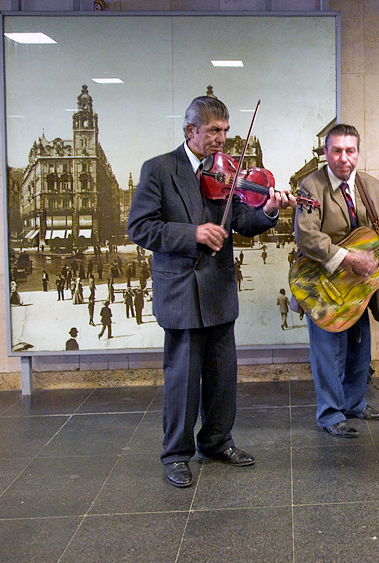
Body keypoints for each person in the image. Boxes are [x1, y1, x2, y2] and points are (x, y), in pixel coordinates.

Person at [127, 95, 296, 488]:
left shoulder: (228, 172)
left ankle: (217, 442)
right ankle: (176, 454)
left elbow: (243, 220)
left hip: (219, 289)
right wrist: (193, 233)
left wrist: (269, 209)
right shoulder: (159, 170)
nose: (222, 139)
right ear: (191, 131)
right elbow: (140, 227)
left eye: (225, 130)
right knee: (182, 380)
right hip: (181, 291)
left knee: (223, 377)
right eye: (214, 131)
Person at [294, 123, 379, 438]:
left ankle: (354, 403)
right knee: (328, 352)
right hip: (323, 282)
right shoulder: (310, 187)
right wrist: (351, 259)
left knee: (360, 348)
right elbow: (307, 236)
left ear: (358, 152)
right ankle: (330, 414)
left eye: (350, 150)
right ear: (326, 152)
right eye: (337, 150)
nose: (344, 158)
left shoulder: (374, 188)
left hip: (361, 287)